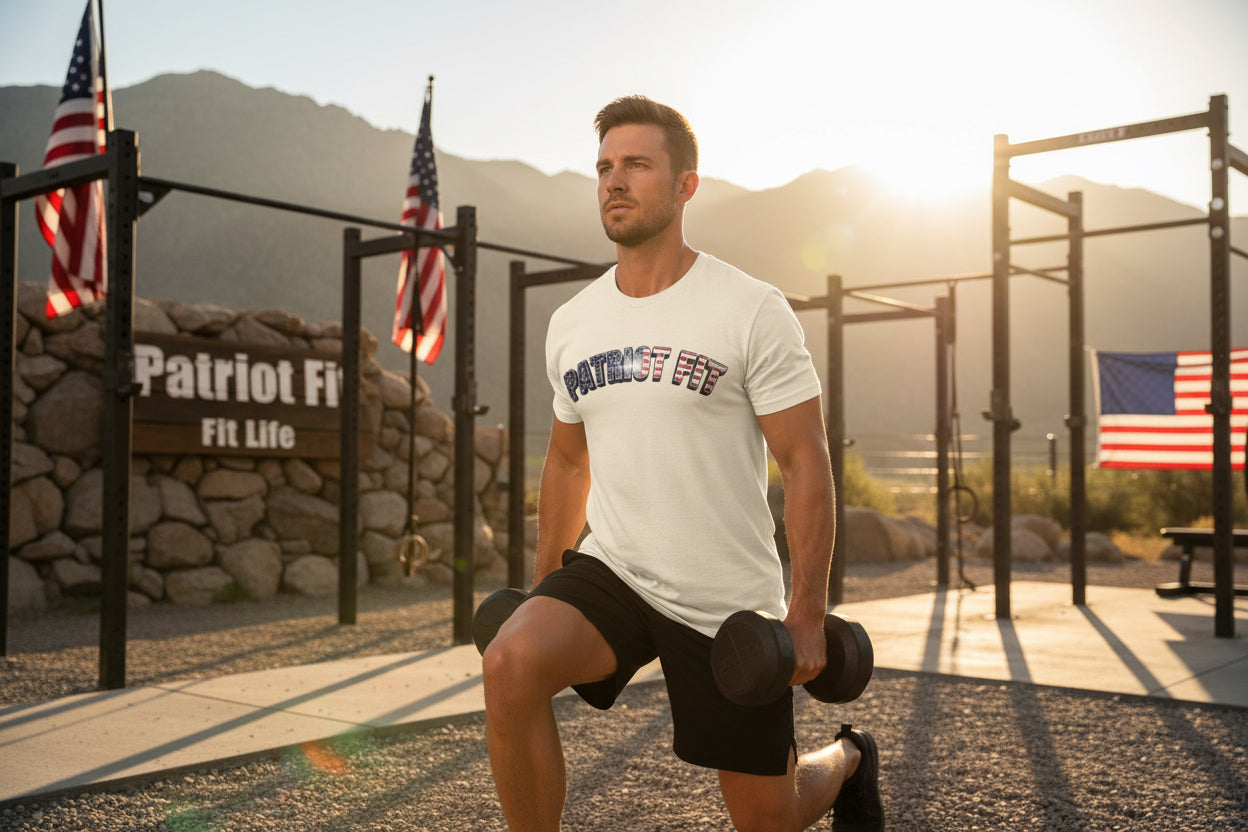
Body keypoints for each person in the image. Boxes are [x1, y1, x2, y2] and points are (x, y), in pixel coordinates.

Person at [482, 95, 883, 832]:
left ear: (685, 184)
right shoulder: (572, 323)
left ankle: (849, 759)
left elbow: (804, 460)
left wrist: (802, 616)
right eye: (604, 167)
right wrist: (543, 586)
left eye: (636, 164)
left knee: (770, 816)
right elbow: (568, 462)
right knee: (510, 662)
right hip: (616, 571)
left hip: (724, 599)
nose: (614, 181)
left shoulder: (750, 309)